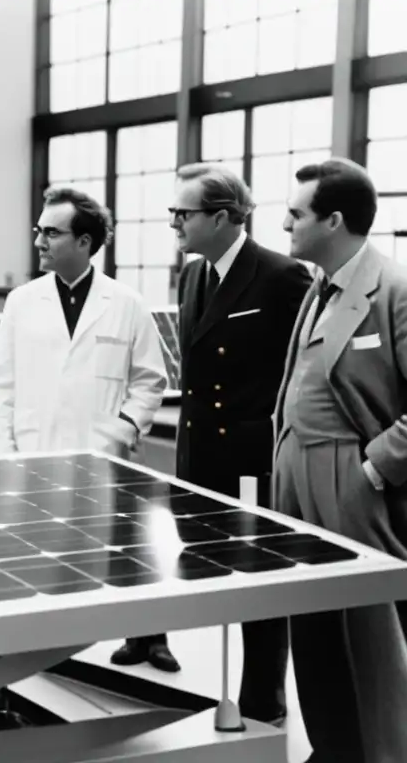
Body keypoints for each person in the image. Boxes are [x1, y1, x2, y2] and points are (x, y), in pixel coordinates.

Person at [111, 164, 310, 711]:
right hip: (200, 456)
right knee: (211, 573)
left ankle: (263, 695)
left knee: (261, 580)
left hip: (251, 459)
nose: (174, 223)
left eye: (183, 213)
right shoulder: (194, 274)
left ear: (221, 217)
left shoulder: (281, 275)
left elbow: (300, 375)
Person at [274, 158, 407, 763]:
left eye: (296, 214)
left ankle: (384, 751)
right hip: (296, 473)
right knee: (313, 626)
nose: (285, 224)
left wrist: (377, 468)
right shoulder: (316, 288)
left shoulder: (395, 289)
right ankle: (332, 746)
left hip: (352, 477)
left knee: (370, 632)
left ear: (334, 220)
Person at [0, 186, 167, 459]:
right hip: (31, 454)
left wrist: (127, 426)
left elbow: (149, 381)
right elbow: (1, 388)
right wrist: (3, 454)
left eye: (52, 233)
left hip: (101, 458)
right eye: (39, 231)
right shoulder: (20, 302)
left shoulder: (128, 304)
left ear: (84, 242)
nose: (39, 242)